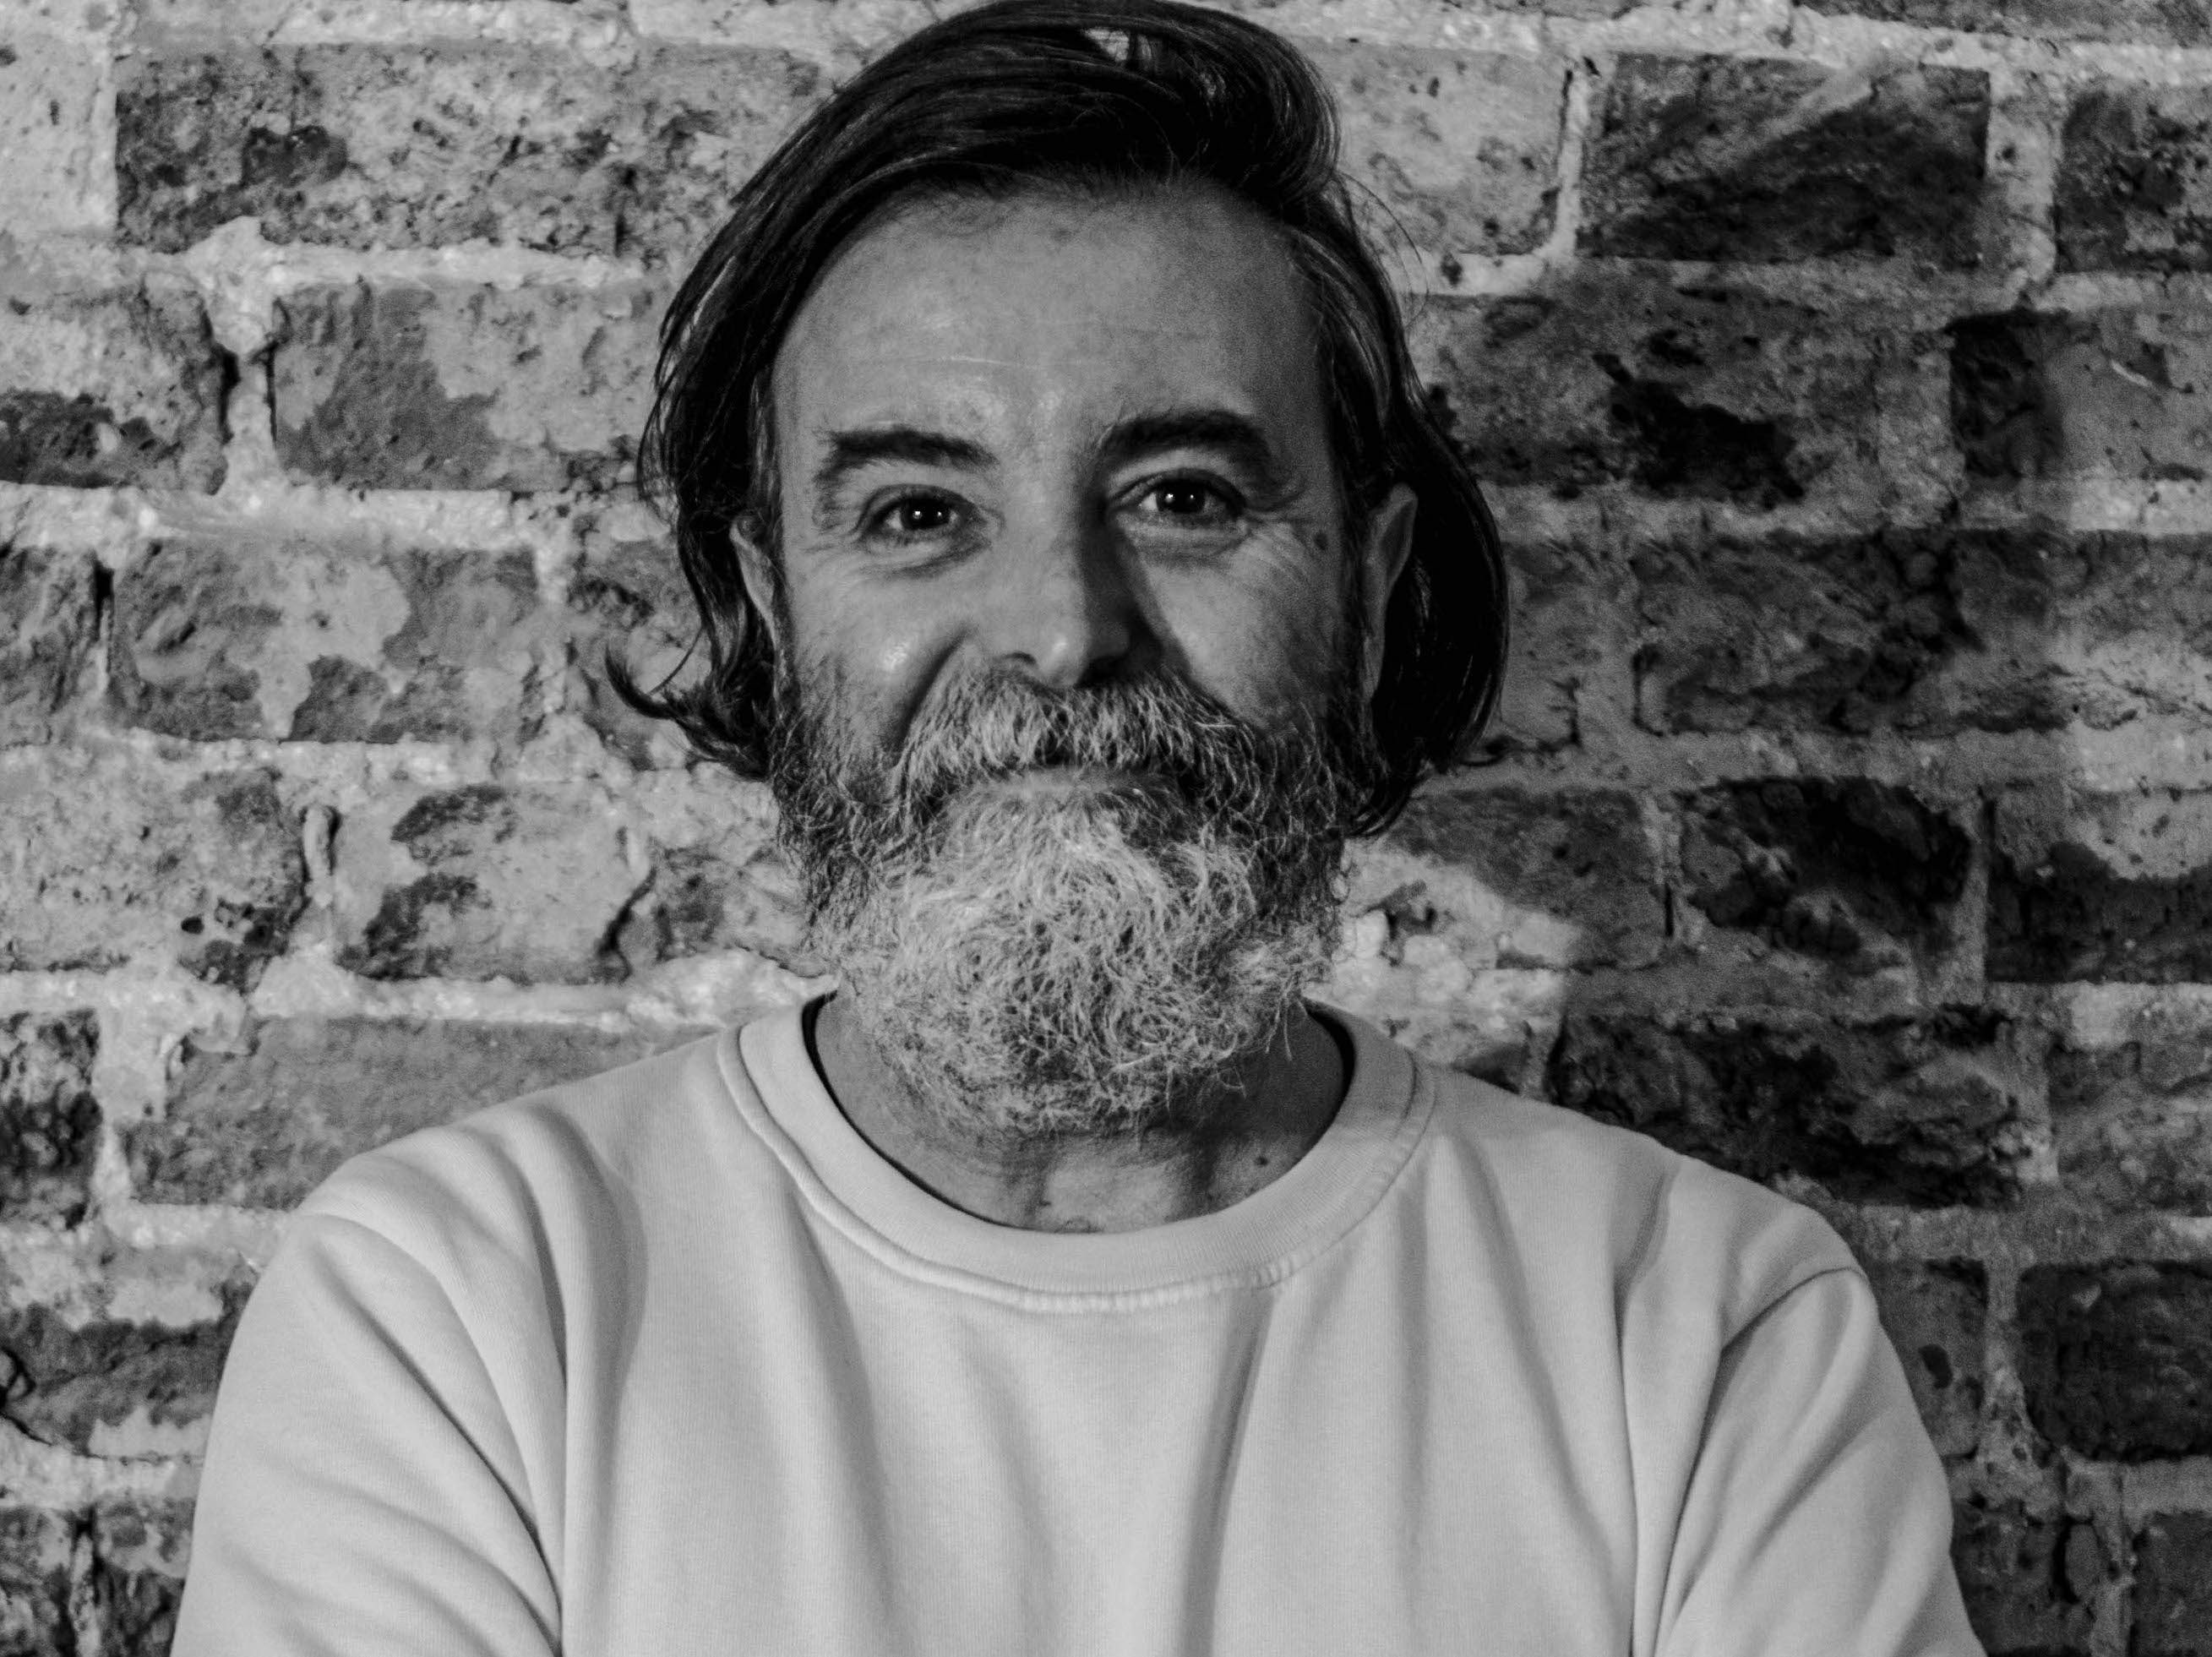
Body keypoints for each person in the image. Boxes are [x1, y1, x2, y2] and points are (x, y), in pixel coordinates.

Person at [173, 2, 1985, 1651]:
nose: (1059, 625)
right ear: (768, 602)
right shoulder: (464, 1321)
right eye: (911, 515)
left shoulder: (1696, 1339)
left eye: (1183, 495)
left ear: (1364, 591)